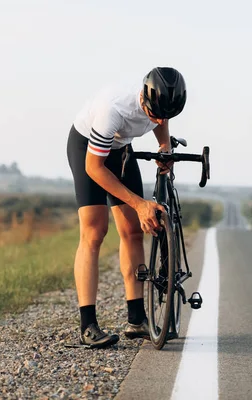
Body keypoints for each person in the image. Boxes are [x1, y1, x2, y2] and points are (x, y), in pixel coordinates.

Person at [66, 67, 187, 348]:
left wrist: (164, 147)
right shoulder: (114, 108)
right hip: (88, 149)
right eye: (154, 113)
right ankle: (88, 326)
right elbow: (94, 168)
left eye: (165, 115)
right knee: (95, 231)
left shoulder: (160, 107)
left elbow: (161, 120)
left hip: (121, 148)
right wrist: (139, 203)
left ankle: (137, 319)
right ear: (143, 99)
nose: (159, 119)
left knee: (133, 231)